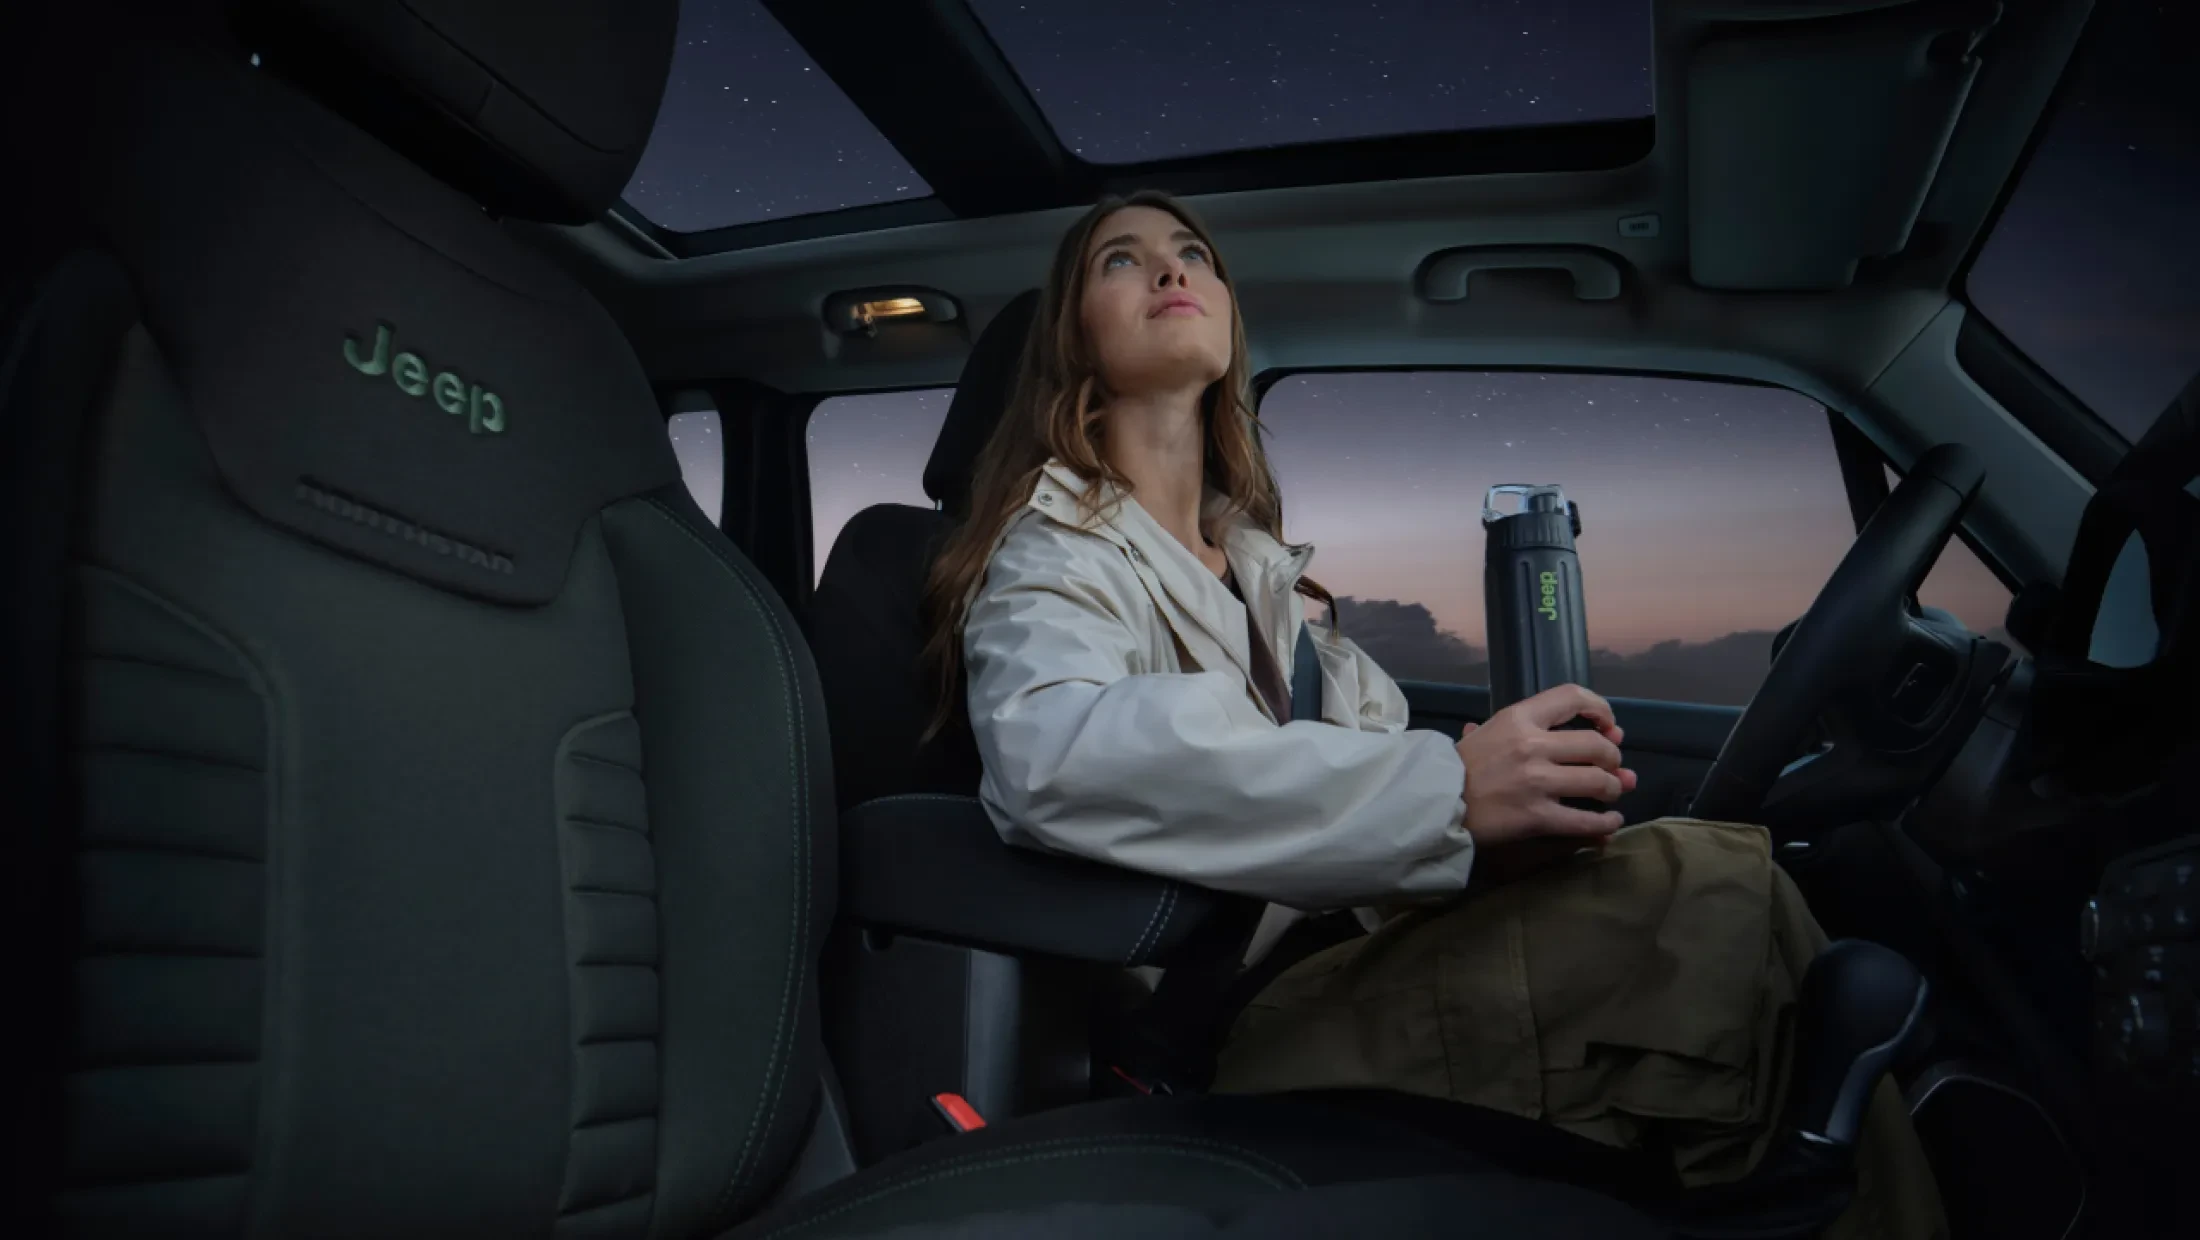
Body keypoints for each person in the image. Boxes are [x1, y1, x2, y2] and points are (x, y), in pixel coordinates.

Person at [920, 190, 1946, 1240]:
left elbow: (1365, 777)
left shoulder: (1270, 574)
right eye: (1120, 263)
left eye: (1192, 254)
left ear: (1229, 318)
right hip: (1230, 1016)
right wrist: (1448, 792)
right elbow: (1057, 750)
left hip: (1356, 952)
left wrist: (1496, 825)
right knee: (1712, 892)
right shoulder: (1050, 551)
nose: (1173, 271)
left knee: (1722, 910)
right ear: (1072, 337)